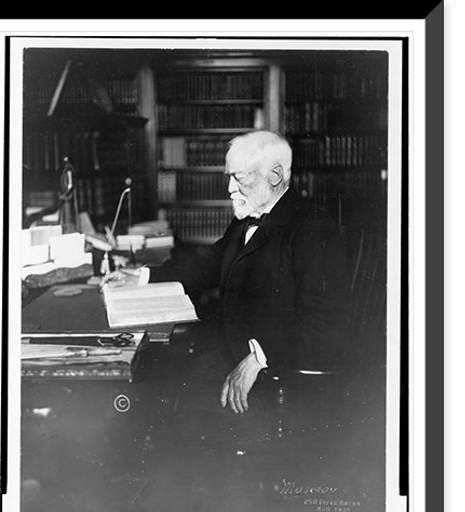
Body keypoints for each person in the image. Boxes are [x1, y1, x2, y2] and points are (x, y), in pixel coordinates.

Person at [106, 130, 356, 421]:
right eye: (229, 177)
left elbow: (327, 325)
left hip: (277, 369)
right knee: (169, 400)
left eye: (238, 177)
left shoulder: (313, 228)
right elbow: (207, 265)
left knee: (178, 414)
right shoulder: (249, 216)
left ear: (275, 175)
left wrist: (259, 358)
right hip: (231, 350)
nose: (229, 189)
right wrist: (141, 277)